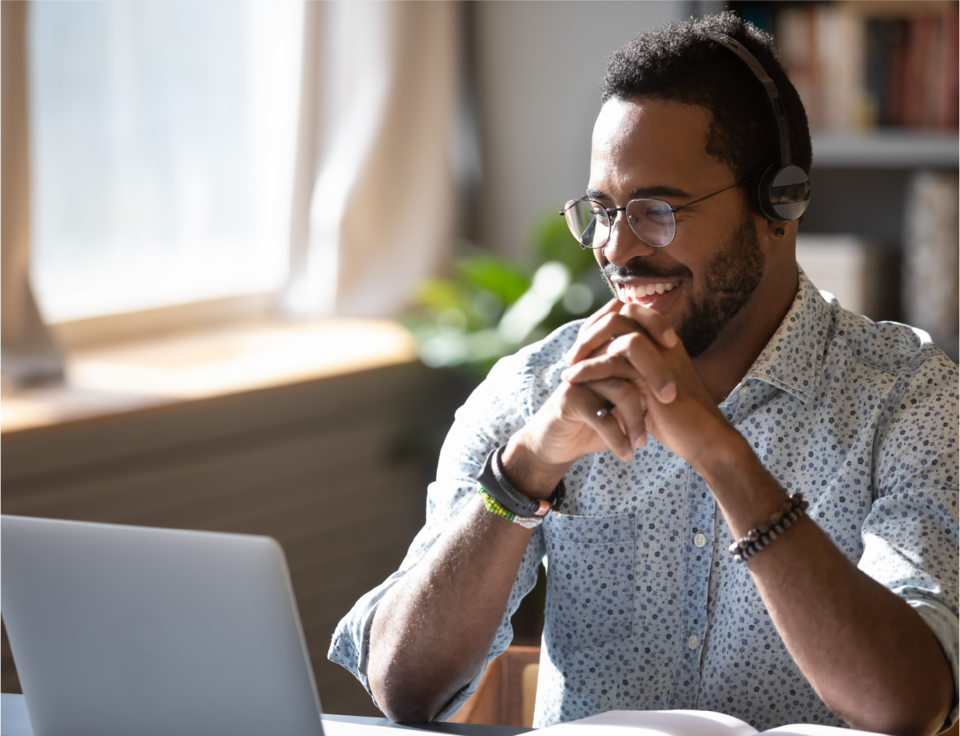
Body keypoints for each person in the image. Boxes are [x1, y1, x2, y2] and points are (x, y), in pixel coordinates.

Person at [329, 12, 960, 735]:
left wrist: (722, 456)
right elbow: (402, 687)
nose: (617, 249)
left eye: (657, 210)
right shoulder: (536, 390)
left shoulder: (912, 400)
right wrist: (525, 472)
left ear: (778, 203)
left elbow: (910, 703)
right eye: (603, 210)